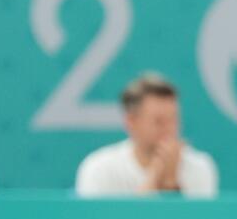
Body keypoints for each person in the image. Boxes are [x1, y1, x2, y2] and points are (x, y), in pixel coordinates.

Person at [75, 73, 219, 197]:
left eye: (174, 119)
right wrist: (155, 177)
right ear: (131, 122)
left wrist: (171, 184)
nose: (169, 129)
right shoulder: (98, 169)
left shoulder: (201, 167)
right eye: (159, 121)